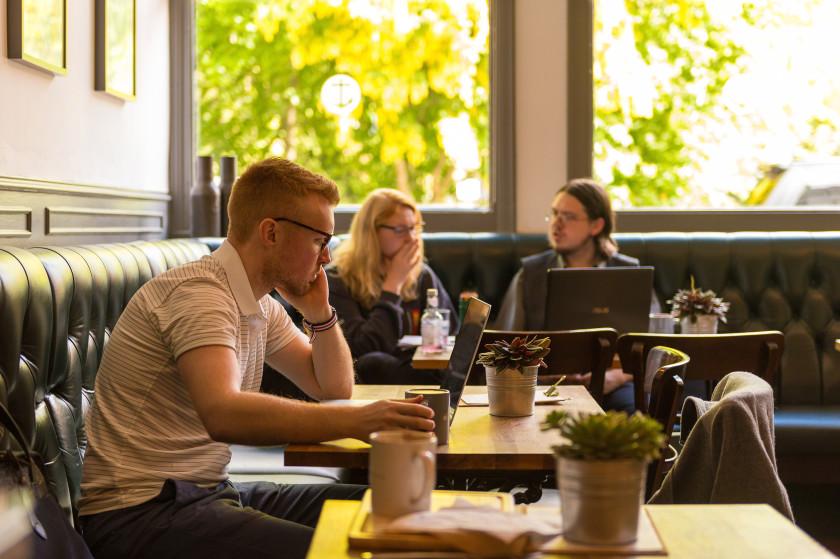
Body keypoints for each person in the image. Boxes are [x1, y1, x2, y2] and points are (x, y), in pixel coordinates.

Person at [77, 158, 435, 559]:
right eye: (320, 240)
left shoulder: (260, 305)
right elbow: (223, 413)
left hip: (205, 492)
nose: (327, 259)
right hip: (139, 514)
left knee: (389, 502)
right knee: (345, 549)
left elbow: (334, 388)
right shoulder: (201, 294)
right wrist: (359, 419)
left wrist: (319, 313)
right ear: (270, 232)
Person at [494, 178, 660, 413]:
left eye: (568, 217)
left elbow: (656, 343)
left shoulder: (631, 273)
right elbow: (506, 342)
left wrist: (619, 376)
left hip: (616, 383)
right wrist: (543, 372)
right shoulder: (530, 274)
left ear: (596, 225)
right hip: (544, 383)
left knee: (638, 420)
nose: (556, 224)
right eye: (554, 214)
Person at [328, 188, 459, 384]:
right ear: (371, 231)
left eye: (414, 227)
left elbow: (452, 334)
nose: (412, 238)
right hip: (368, 380)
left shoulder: (421, 275)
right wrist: (393, 286)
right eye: (401, 230)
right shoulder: (338, 278)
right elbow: (361, 351)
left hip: (418, 372)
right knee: (375, 362)